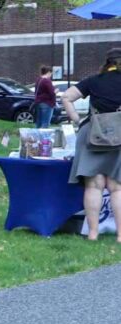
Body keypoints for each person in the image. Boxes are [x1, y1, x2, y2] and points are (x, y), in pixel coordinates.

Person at [61, 47, 121, 242]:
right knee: (117, 187)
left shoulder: (93, 80)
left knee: (94, 186)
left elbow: (66, 97)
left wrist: (77, 119)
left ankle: (93, 233)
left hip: (92, 133)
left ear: (107, 62)